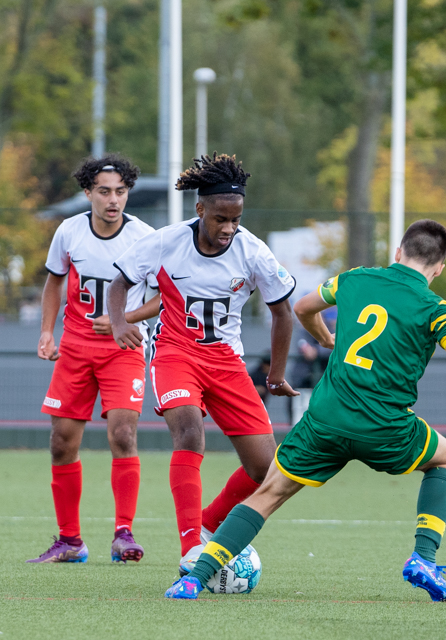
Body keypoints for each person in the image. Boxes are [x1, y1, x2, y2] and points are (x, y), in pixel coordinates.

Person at [165, 219, 446, 602]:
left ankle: (193, 580)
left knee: (267, 494)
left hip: (325, 420)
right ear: (439, 268)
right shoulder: (437, 308)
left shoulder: (354, 279)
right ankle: (424, 558)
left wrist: (327, 338)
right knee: (444, 459)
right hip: (385, 426)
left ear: (398, 252)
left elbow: (301, 308)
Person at [109, 153, 299, 574]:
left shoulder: (252, 251)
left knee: (268, 468)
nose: (229, 228)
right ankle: (191, 547)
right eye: (220, 219)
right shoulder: (166, 242)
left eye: (235, 219)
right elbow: (121, 281)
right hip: (176, 354)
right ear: (200, 210)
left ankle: (210, 525)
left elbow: (283, 312)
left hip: (227, 362)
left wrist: (276, 374)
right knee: (190, 433)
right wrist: (119, 322)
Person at [29, 155, 161, 564]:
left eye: (120, 192)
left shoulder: (146, 238)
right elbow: (54, 282)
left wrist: (122, 319)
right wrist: (48, 331)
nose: (113, 200)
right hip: (75, 349)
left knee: (123, 434)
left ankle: (124, 533)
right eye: (104, 191)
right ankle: (70, 541)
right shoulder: (69, 231)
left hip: (123, 349)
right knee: (61, 442)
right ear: (87, 193)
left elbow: (163, 298)